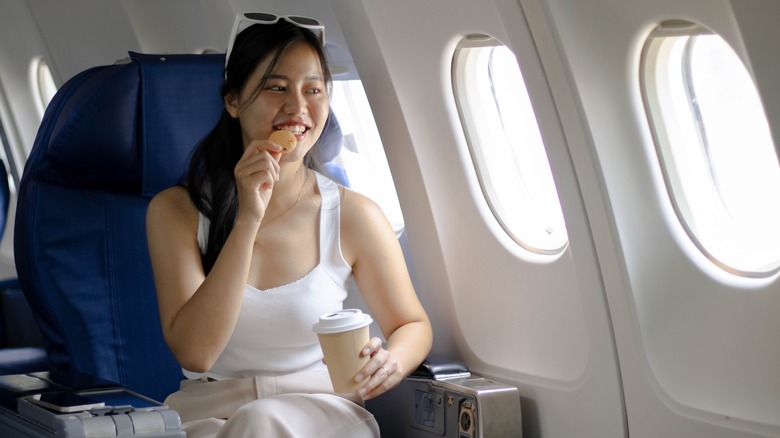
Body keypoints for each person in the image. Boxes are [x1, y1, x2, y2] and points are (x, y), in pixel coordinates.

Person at [145, 12, 433, 438]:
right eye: (276, 87)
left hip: (320, 414)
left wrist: (391, 361)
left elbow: (412, 324)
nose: (298, 107)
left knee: (261, 423)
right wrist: (247, 219)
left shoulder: (354, 215)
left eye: (313, 90)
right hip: (205, 414)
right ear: (233, 101)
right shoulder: (177, 210)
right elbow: (197, 353)